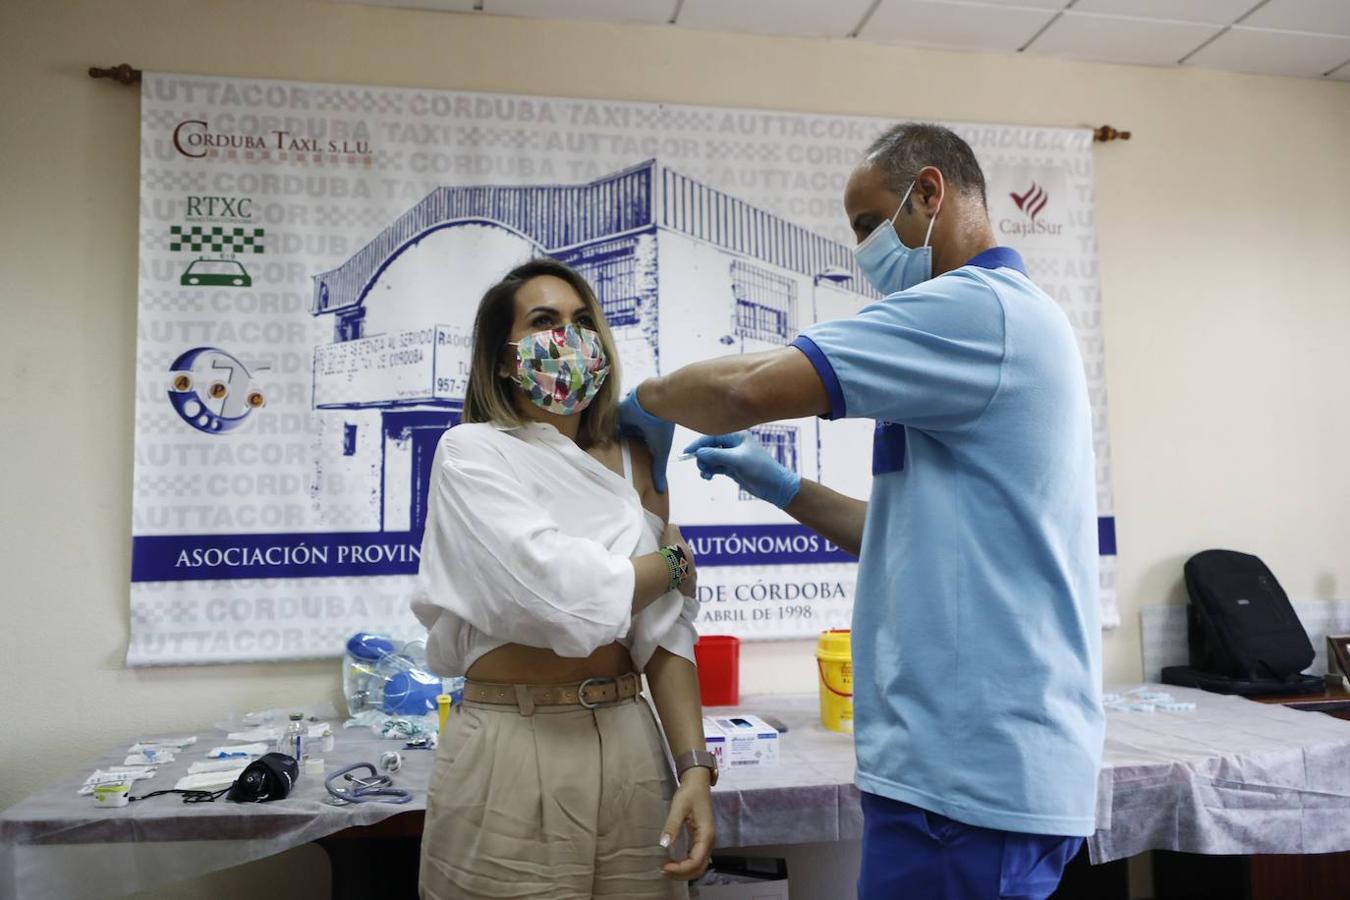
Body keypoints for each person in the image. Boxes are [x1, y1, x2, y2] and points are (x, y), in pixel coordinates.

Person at [619, 123, 1103, 900]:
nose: (863, 251)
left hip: (970, 782)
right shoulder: (989, 332)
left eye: (869, 225)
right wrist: (780, 486)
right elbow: (898, 539)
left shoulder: (979, 308)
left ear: (930, 193)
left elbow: (747, 387)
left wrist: (647, 399)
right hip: (956, 775)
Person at [412, 259, 716, 900]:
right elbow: (567, 601)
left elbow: (664, 631)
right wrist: (671, 564)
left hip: (631, 740)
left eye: (582, 322)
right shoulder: (473, 453)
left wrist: (694, 766)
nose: (569, 339)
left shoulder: (638, 461)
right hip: (513, 743)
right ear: (502, 359)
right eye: (544, 322)